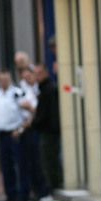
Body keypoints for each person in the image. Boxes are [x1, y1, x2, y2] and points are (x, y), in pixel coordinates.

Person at [0, 70, 28, 201]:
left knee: (19, 163)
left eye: (6, 80)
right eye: (2, 80)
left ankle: (21, 194)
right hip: (2, 134)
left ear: (10, 80)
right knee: (6, 165)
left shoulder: (17, 93)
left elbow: (27, 114)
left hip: (15, 133)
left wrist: (20, 129)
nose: (4, 82)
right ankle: (10, 194)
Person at [16, 65, 50, 201]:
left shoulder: (39, 90)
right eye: (24, 78)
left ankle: (43, 191)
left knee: (39, 162)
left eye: (29, 76)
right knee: (29, 163)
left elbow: (38, 111)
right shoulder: (22, 90)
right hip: (26, 129)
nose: (27, 79)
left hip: (36, 129)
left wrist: (30, 109)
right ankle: (34, 191)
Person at [31, 64, 63, 194]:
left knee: (50, 161)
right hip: (47, 130)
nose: (37, 77)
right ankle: (52, 187)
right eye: (36, 74)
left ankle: (54, 188)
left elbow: (45, 114)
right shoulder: (44, 89)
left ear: (45, 73)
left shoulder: (48, 90)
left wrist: (35, 124)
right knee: (48, 160)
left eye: (39, 74)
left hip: (49, 131)